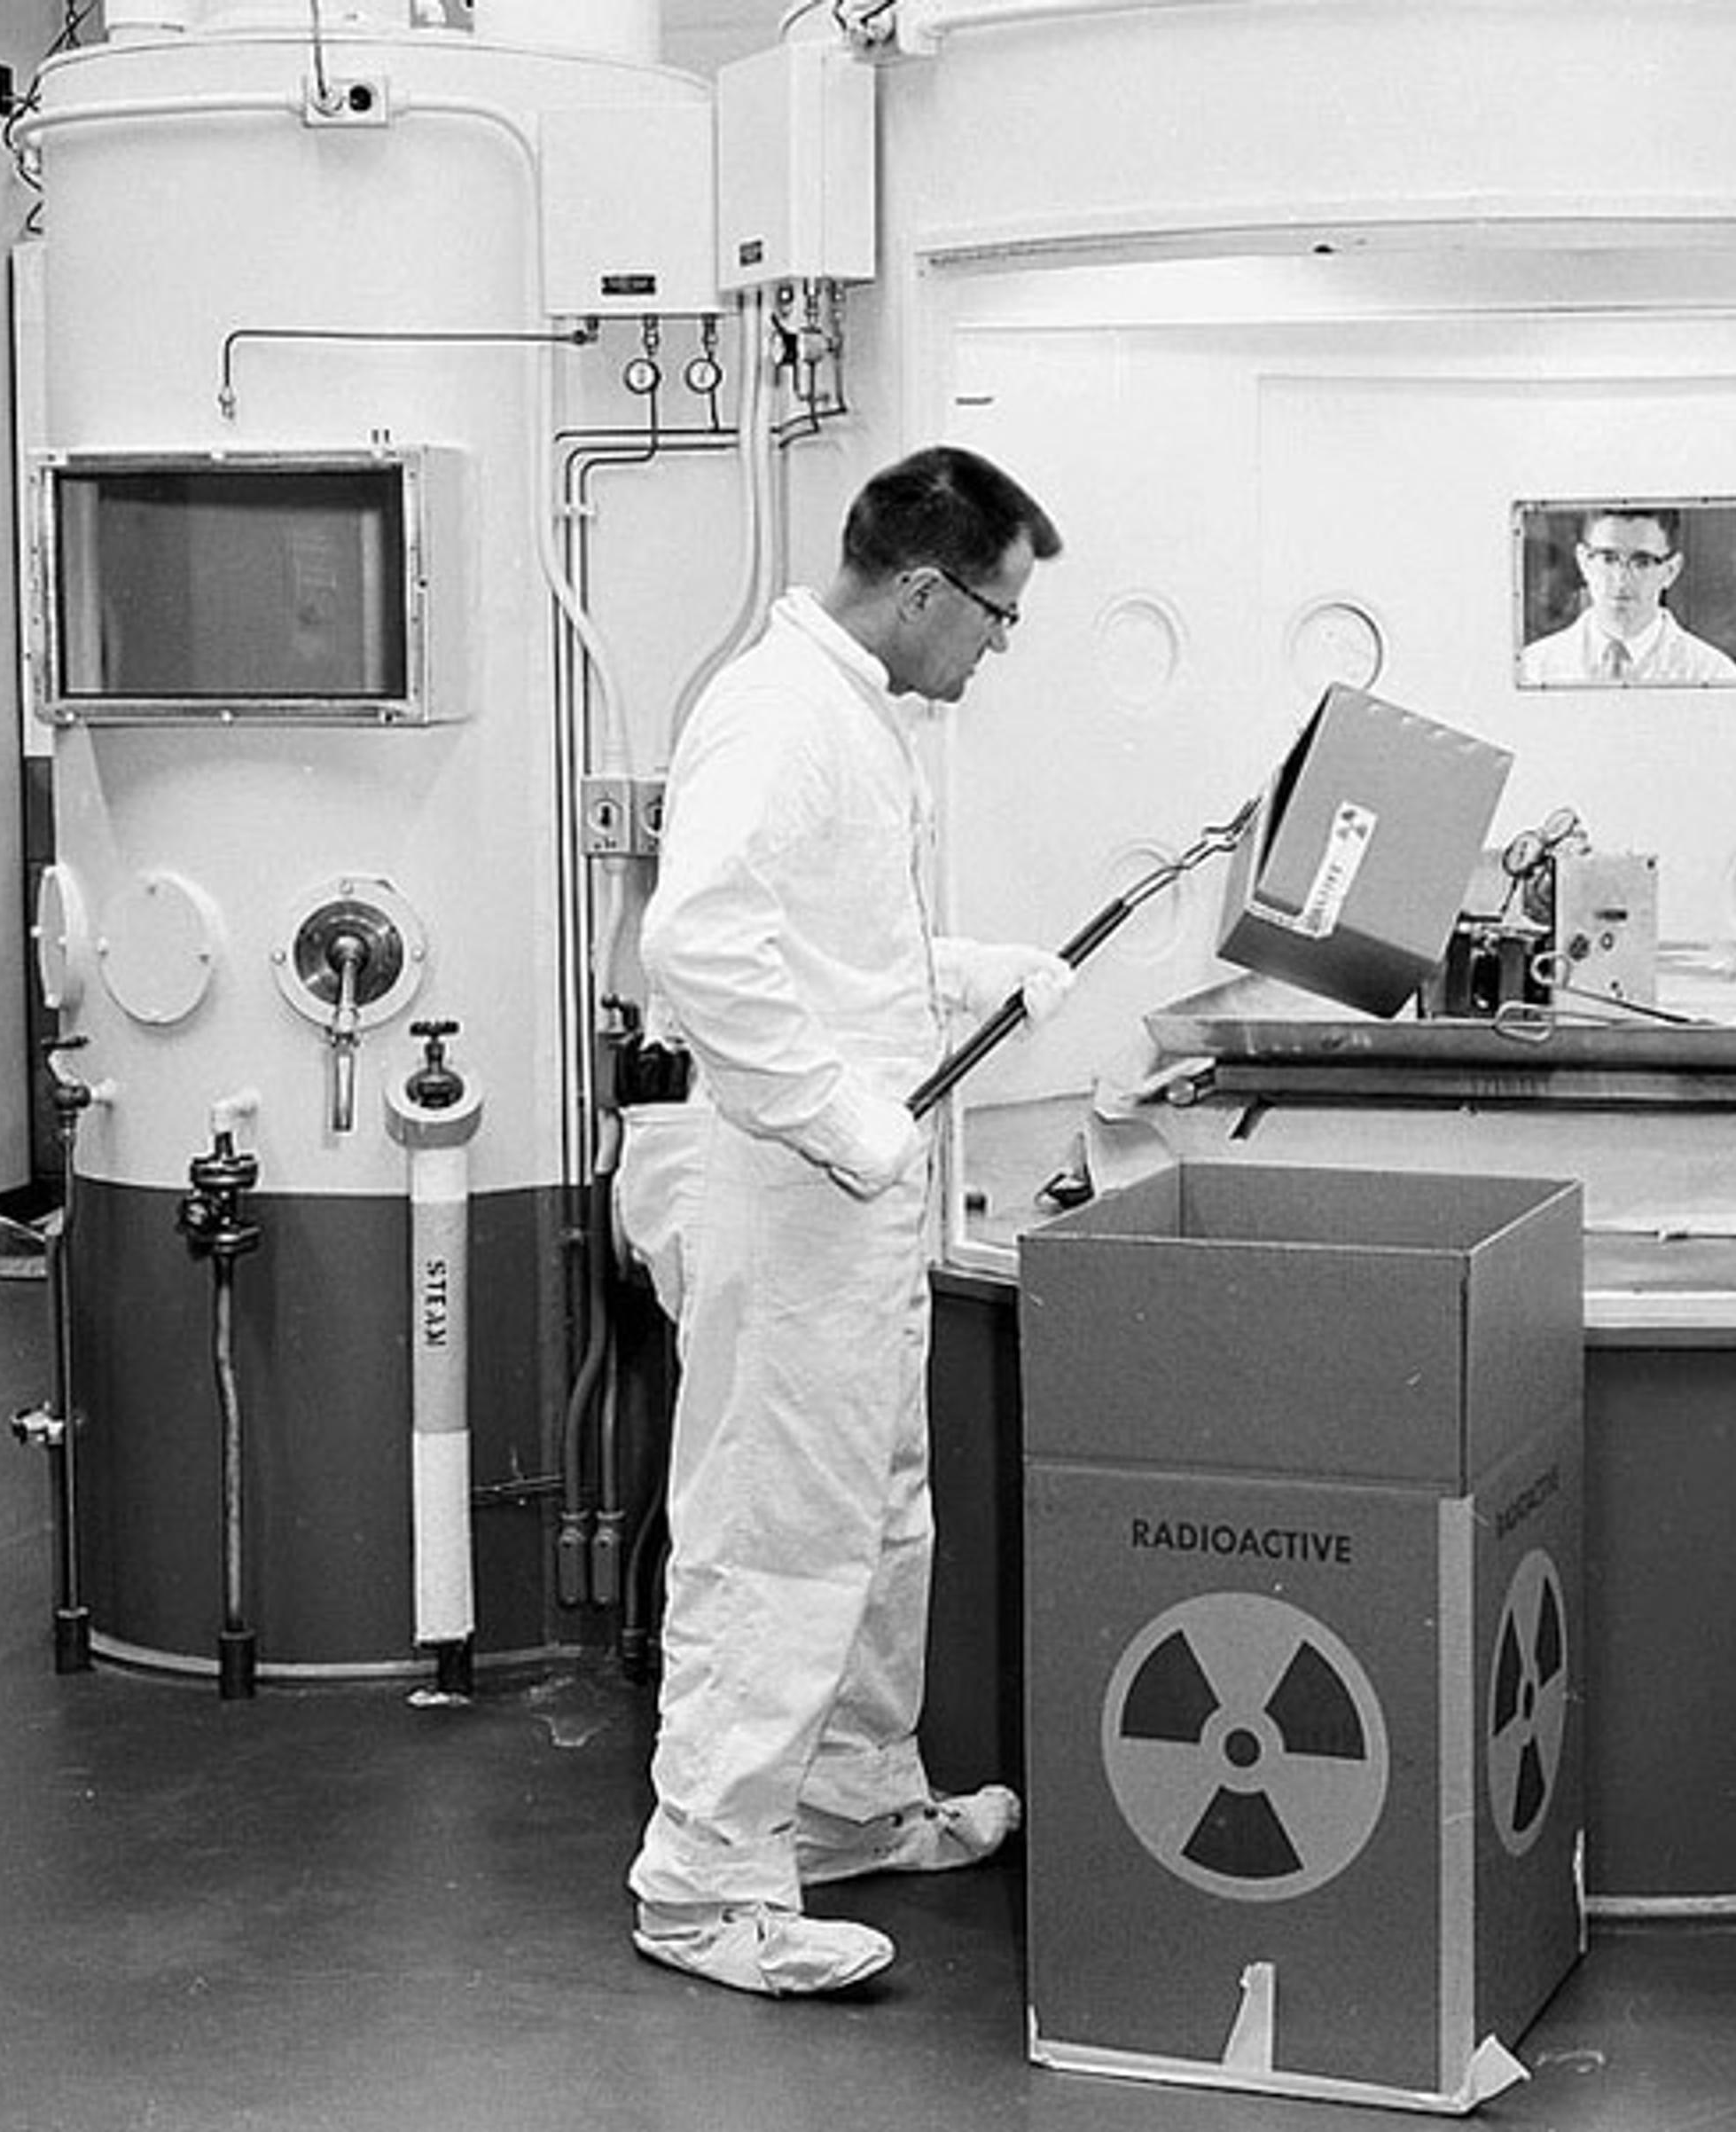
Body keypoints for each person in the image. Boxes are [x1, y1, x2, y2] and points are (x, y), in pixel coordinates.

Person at [615, 444, 1075, 1997]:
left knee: (878, 1506)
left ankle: (849, 1800)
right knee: (778, 1529)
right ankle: (705, 1882)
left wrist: (967, 973)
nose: (999, 649)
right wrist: (840, 1113)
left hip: (852, 1190)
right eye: (997, 618)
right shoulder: (778, 708)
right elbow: (705, 943)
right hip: (792, 1181)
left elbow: (832, 942)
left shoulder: (856, 712)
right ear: (927, 587)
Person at [1515, 506, 1736, 686]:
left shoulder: (1715, 675)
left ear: (1671, 571)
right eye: (1608, 558)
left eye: (1642, 562)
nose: (1621, 579)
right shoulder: (1532, 669)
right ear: (1583, 562)